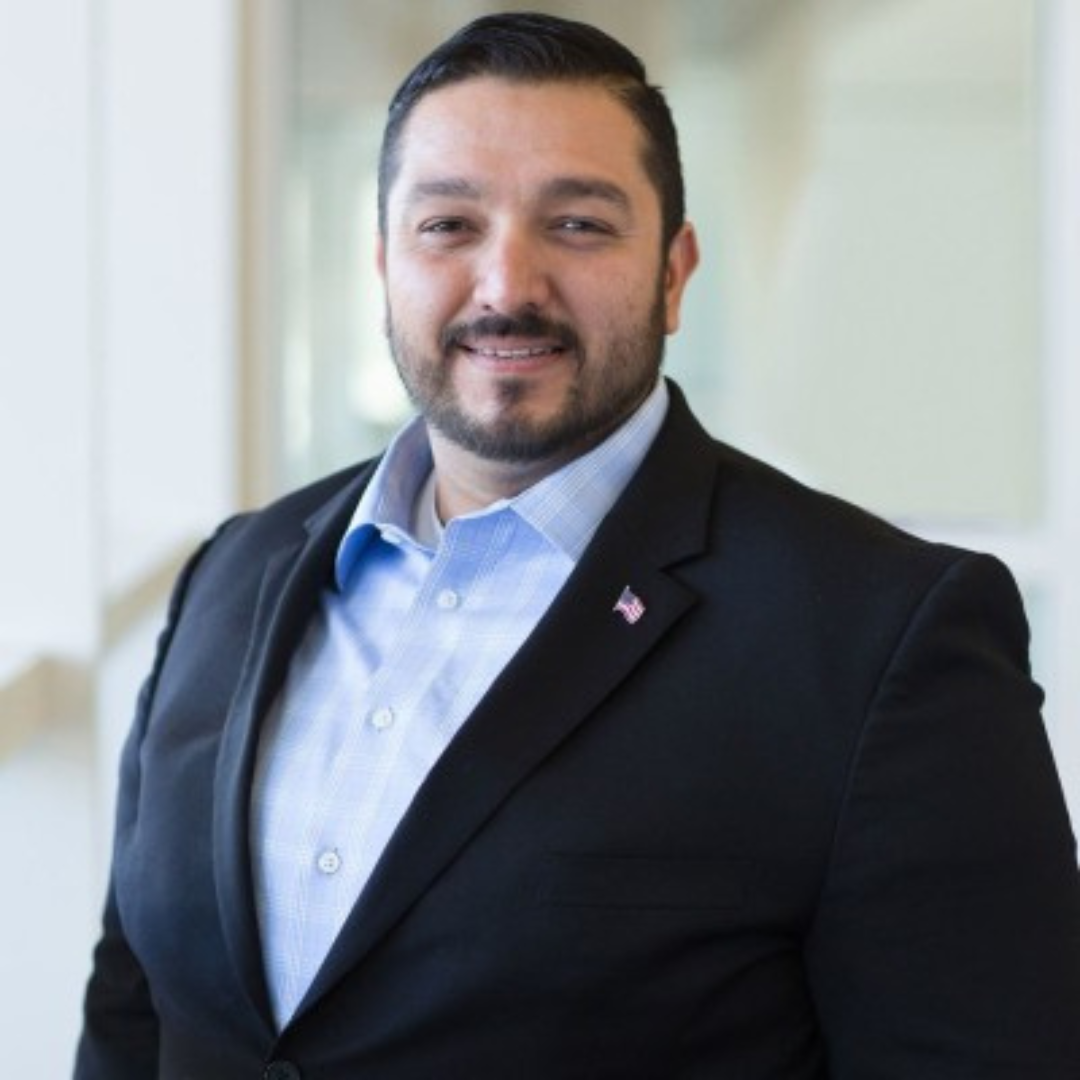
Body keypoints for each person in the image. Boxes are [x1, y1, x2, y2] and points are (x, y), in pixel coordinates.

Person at [76, 12, 1080, 1079]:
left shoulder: (883, 639)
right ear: (384, 264)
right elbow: (131, 1010)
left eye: (580, 225)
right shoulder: (235, 571)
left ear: (675, 273)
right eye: (448, 225)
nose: (507, 286)